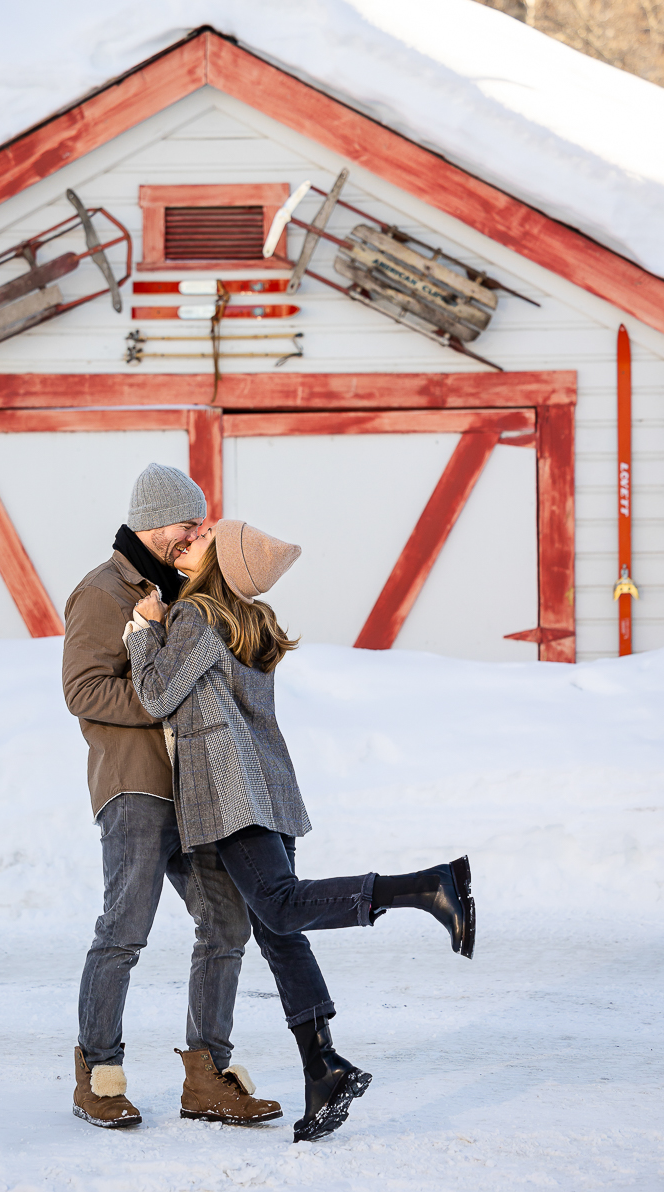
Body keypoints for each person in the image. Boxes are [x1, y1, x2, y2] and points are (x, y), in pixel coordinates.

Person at [125, 520, 476, 1142]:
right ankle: (323, 1068)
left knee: (281, 910)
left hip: (229, 795)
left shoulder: (196, 617)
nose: (194, 538)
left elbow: (155, 695)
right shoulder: (249, 621)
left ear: (219, 565)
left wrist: (142, 630)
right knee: (278, 932)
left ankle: (428, 887)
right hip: (271, 788)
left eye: (207, 537)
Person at [63, 465, 282, 1129]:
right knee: (124, 930)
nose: (196, 533)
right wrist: (168, 706)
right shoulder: (101, 591)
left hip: (197, 794)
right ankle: (97, 1078)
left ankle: (207, 1077)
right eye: (188, 522)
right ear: (154, 521)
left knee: (226, 922)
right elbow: (83, 690)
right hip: (134, 787)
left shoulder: (183, 591)